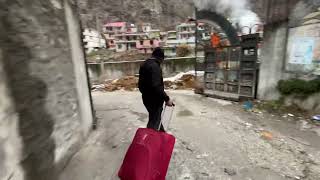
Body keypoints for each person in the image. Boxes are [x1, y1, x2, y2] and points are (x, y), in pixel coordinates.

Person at [138, 47, 174, 132]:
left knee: (155, 119)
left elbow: (140, 85)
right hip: (155, 101)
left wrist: (146, 94)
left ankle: (162, 137)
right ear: (160, 58)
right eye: (162, 60)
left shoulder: (144, 64)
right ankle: (148, 142)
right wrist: (167, 99)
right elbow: (156, 86)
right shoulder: (155, 67)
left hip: (146, 99)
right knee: (154, 124)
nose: (161, 62)